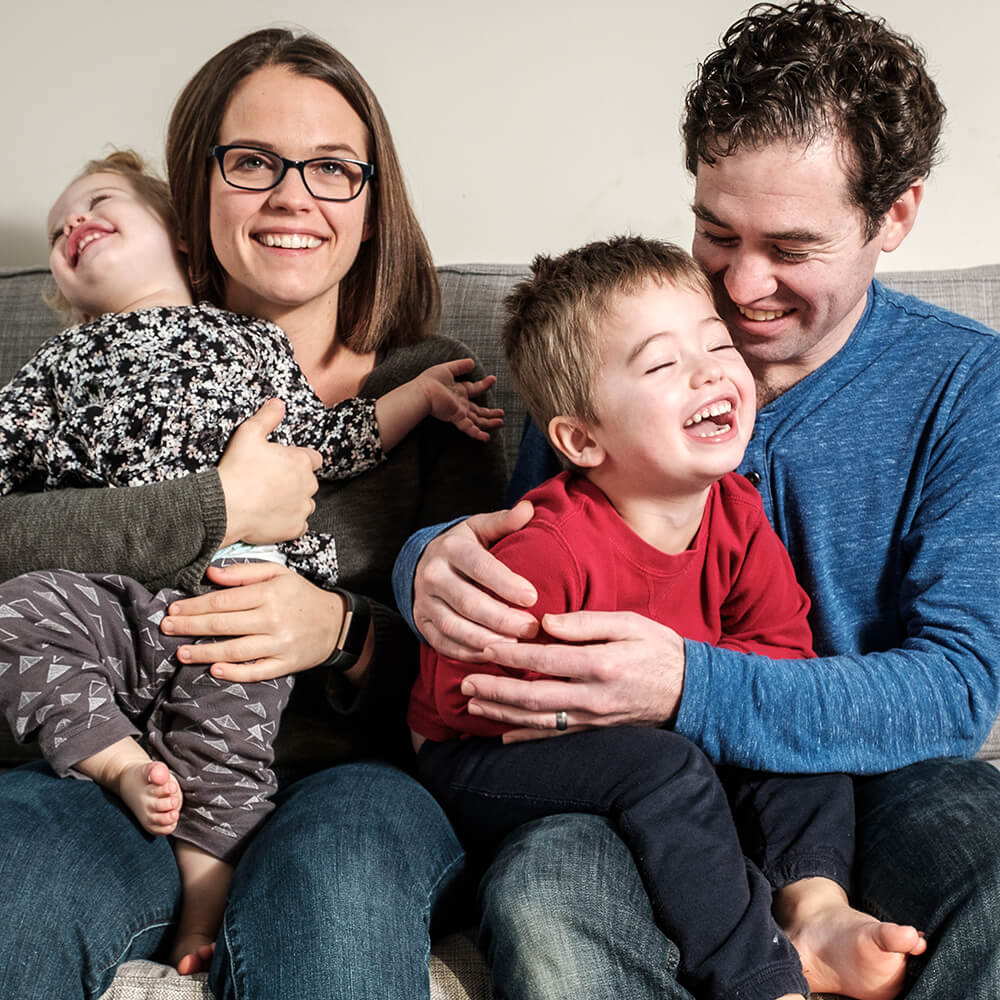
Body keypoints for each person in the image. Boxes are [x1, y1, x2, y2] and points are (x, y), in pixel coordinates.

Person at [395, 2, 1000, 997]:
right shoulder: (627, 339)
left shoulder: (967, 386)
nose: (742, 285)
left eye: (791, 246)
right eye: (717, 232)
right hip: (610, 772)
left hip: (870, 774)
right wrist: (427, 558)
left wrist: (690, 686)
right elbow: (540, 536)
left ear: (893, 216)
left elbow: (953, 688)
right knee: (545, 891)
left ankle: (809, 920)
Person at [0, 28, 507, 999]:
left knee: (337, 895)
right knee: (18, 871)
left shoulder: (430, 386)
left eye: (331, 168)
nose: (291, 195)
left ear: (370, 204)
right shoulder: (98, 370)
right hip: (115, 764)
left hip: (346, 778)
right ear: (193, 195)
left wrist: (343, 632)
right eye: (252, 162)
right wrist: (215, 504)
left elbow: (482, 653)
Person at [409, 234, 925, 1000]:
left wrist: (683, 695)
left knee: (802, 728)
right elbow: (456, 696)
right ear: (582, 439)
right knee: (664, 769)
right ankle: (759, 977)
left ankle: (816, 909)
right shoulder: (546, 546)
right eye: (661, 364)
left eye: (715, 343)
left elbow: (781, 656)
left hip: (652, 745)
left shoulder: (738, 517)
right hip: (479, 763)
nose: (710, 369)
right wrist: (592, 717)